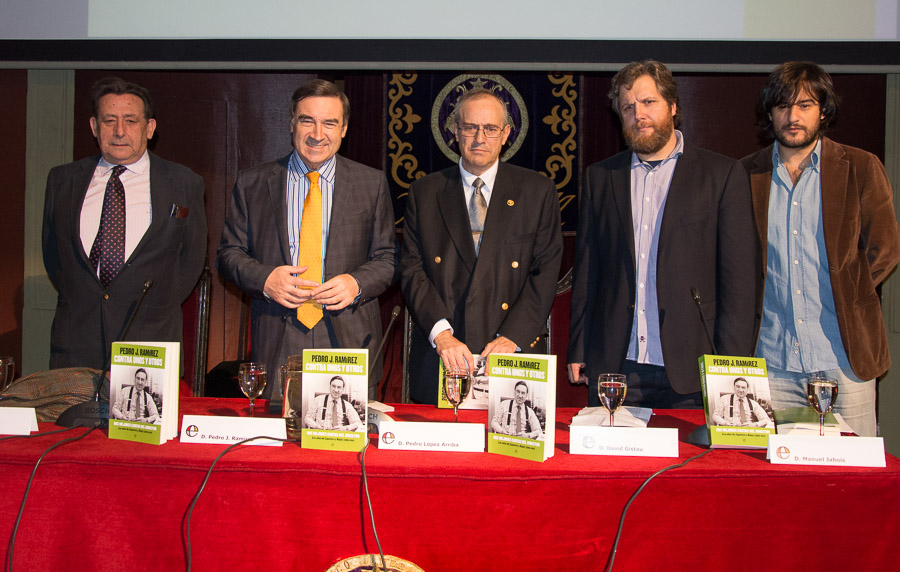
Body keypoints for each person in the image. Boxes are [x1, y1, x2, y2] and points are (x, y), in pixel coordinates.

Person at [567, 60, 757, 408]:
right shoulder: (601, 177)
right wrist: (579, 347)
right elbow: (587, 271)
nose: (638, 115)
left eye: (648, 102)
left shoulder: (721, 175)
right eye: (628, 107)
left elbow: (740, 282)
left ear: (672, 106)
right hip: (615, 365)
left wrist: (732, 367)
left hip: (694, 367)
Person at [217, 79, 397, 411]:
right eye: (307, 120)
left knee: (344, 430)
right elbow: (229, 254)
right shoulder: (253, 182)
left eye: (329, 123)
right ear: (291, 124)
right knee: (277, 437)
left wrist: (355, 283)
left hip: (348, 335)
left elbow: (387, 258)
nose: (317, 133)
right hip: (278, 334)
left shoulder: (371, 183)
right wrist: (266, 280)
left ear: (344, 129)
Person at [741, 62, 900, 437]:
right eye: (783, 106)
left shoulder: (860, 167)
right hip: (771, 363)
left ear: (823, 111)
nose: (793, 117)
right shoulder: (745, 174)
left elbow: (885, 249)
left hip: (843, 359)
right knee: (776, 469)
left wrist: (848, 291)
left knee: (854, 468)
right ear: (770, 113)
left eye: (805, 105)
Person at [400, 88, 563, 404]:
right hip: (442, 353)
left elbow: (544, 273)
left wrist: (512, 337)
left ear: (506, 134)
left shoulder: (537, 191)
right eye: (470, 127)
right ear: (455, 131)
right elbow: (411, 270)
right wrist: (442, 335)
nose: (479, 138)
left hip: (512, 354)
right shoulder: (425, 192)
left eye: (490, 129)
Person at [42, 77, 207, 372]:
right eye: (109, 121)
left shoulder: (184, 183)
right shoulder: (62, 181)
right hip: (77, 347)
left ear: (150, 128)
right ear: (94, 126)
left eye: (130, 120)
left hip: (149, 344)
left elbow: (190, 263)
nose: (119, 131)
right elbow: (54, 257)